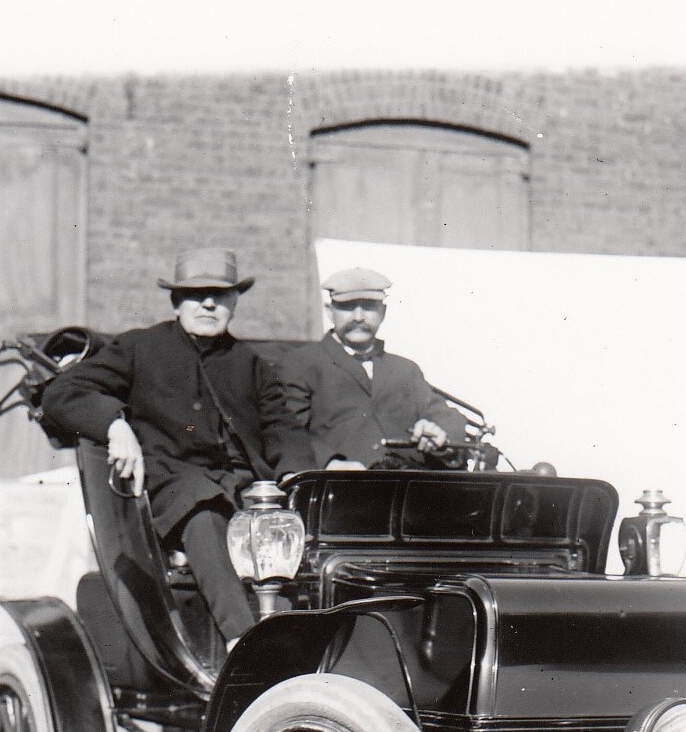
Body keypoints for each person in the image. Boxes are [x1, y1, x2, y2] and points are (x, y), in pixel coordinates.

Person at [41, 248, 314, 646]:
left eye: (220, 296)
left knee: (288, 530)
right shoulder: (139, 348)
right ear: (176, 302)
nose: (208, 303)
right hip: (168, 490)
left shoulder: (249, 363)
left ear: (234, 303)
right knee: (202, 510)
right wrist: (115, 426)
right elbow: (64, 392)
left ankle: (294, 647)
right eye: (196, 294)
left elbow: (281, 426)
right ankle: (244, 642)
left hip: (241, 493)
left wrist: (292, 476)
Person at [276, 267, 468, 470]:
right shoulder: (301, 364)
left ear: (383, 312)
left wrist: (438, 431)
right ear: (329, 311)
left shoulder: (405, 370)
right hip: (339, 487)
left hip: (408, 486)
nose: (359, 317)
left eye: (368, 306)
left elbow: (446, 416)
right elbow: (286, 432)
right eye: (347, 307)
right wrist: (331, 462)